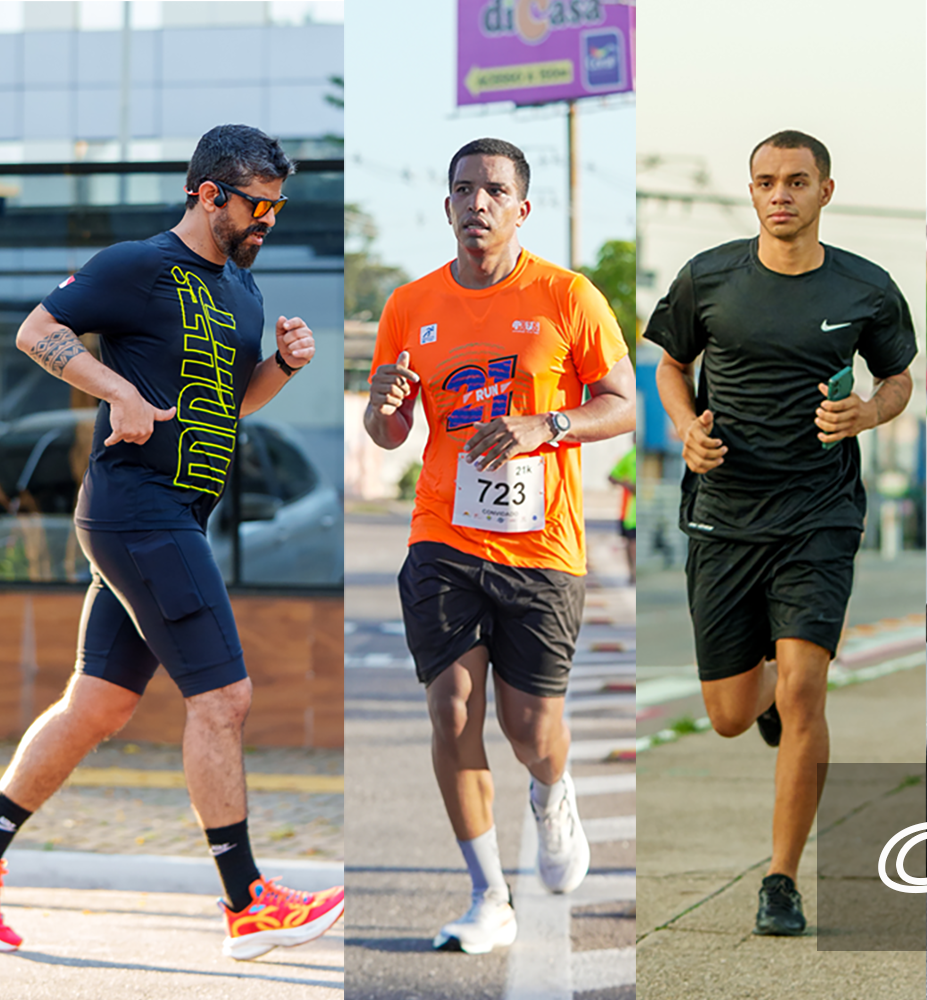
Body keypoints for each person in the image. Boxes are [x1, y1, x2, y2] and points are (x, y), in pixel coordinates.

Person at [0, 124, 342, 960]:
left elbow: (231, 407)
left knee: (99, 704)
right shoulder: (136, 265)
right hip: (134, 507)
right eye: (257, 205)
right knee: (223, 700)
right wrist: (115, 390)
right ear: (207, 193)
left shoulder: (244, 293)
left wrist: (284, 367)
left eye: (278, 207)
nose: (269, 221)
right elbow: (35, 331)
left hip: (176, 517)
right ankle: (249, 901)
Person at [364, 138, 635, 953]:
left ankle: (553, 793)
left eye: (494, 190)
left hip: (542, 548)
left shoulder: (567, 296)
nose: (477, 202)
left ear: (522, 208)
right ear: (445, 207)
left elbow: (622, 405)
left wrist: (544, 423)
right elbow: (388, 434)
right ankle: (488, 897)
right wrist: (382, 405)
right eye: (463, 190)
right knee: (451, 709)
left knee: (528, 726)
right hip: (442, 534)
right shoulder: (408, 306)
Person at [646, 130, 916, 936]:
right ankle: (758, 698)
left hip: (819, 513)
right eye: (767, 181)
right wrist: (686, 422)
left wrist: (869, 411)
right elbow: (668, 362)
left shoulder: (866, 287)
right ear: (753, 190)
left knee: (805, 689)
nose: (781, 195)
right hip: (724, 515)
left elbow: (898, 376)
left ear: (825, 191)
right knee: (731, 714)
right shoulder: (710, 276)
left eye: (797, 182)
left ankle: (782, 879)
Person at [609, 449, 637, 585]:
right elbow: (612, 476)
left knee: (633, 544)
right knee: (630, 543)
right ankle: (632, 573)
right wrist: (628, 485)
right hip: (630, 511)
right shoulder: (630, 456)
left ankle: (634, 574)